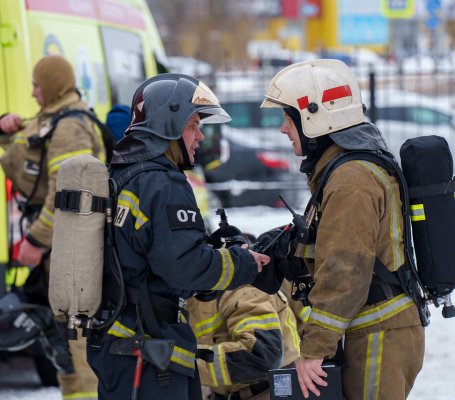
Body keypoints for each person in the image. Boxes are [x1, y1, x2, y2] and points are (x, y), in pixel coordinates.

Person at [86, 73, 270, 400]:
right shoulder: (163, 183)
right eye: (193, 125)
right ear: (168, 125)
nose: (200, 136)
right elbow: (183, 267)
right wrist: (243, 262)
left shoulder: (126, 175)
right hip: (148, 354)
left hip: (123, 345)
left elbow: (156, 259)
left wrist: (208, 249)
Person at [259, 59, 425, 399]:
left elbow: (344, 269)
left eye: (287, 118)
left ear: (312, 118)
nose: (283, 129)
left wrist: (314, 350)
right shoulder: (343, 171)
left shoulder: (351, 181)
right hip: (371, 327)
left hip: (378, 330)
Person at [0, 54, 105, 399]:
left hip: (72, 255)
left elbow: (67, 195)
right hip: (61, 252)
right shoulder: (52, 119)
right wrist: (5, 128)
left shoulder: (70, 128)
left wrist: (35, 240)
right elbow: (23, 160)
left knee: (77, 346)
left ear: (52, 84)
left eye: (36, 84)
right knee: (64, 346)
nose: (32, 93)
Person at [186, 285, 300, 400]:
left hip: (272, 392)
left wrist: (184, 362)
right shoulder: (189, 298)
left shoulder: (242, 289)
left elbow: (262, 356)